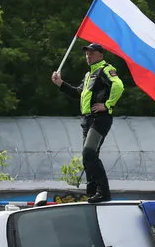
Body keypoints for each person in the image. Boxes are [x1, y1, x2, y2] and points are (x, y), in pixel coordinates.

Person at [51, 42, 124, 203]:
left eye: (92, 53)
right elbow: (78, 93)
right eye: (86, 53)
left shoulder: (105, 69)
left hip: (100, 118)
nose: (88, 56)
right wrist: (60, 84)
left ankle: (103, 192)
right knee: (88, 157)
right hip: (87, 120)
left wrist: (107, 104)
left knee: (89, 153)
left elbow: (118, 86)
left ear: (100, 55)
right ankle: (91, 192)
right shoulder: (88, 75)